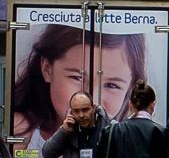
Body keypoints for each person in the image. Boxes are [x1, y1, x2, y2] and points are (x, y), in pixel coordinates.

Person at [11, 24, 146, 149]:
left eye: (112, 85)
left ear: (130, 88)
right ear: (47, 69)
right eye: (78, 77)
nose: (92, 100)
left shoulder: (131, 142)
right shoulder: (21, 131)